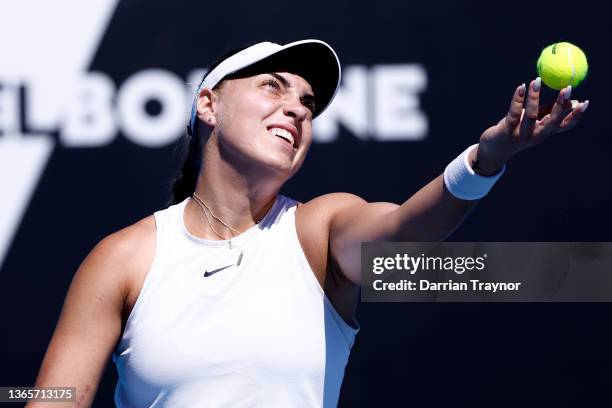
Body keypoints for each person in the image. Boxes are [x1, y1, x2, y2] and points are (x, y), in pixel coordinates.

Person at [29, 39, 588, 407]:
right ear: (208, 106)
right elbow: (53, 398)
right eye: (272, 86)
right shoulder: (124, 257)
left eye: (308, 101)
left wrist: (484, 160)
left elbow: (404, 237)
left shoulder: (319, 230)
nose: (298, 107)